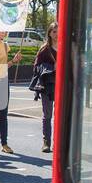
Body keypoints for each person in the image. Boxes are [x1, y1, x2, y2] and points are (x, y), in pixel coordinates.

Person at [31, 22, 59, 153]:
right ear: (49, 33)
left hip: (61, 85)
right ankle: (46, 142)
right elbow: (36, 66)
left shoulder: (65, 47)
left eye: (58, 31)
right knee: (47, 114)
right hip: (47, 85)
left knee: (59, 115)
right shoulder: (45, 49)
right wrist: (48, 68)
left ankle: (58, 142)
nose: (56, 34)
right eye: (53, 31)